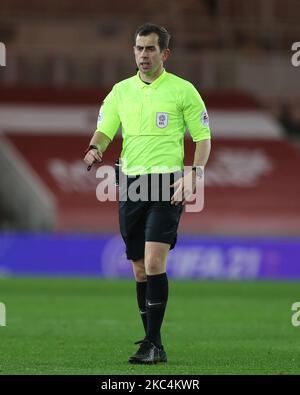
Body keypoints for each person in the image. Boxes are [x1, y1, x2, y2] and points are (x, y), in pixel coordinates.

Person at [84, 23, 211, 364]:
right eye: (139, 49)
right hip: (131, 185)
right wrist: (95, 149)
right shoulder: (120, 91)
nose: (143, 55)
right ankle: (151, 343)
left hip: (166, 184)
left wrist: (194, 174)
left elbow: (202, 138)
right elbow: (105, 128)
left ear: (164, 53)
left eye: (150, 49)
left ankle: (153, 342)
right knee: (140, 270)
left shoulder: (183, 91)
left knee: (155, 262)